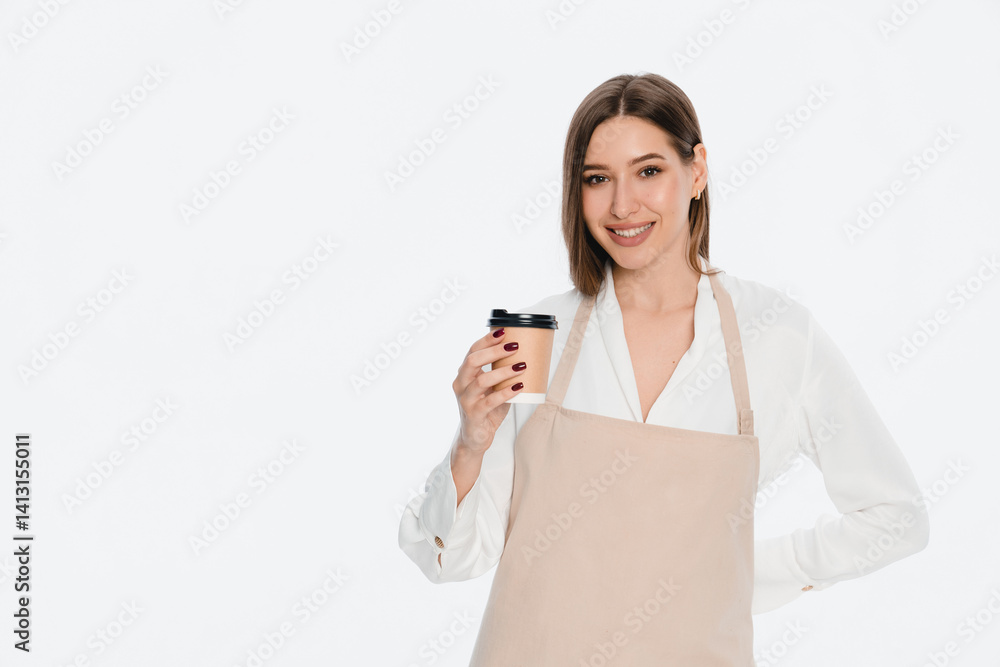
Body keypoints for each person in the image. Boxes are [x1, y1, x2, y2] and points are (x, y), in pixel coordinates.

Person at [397, 72, 930, 665]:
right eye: (598, 179)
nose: (623, 205)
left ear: (696, 171)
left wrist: (743, 575)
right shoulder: (534, 335)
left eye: (649, 171)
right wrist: (470, 442)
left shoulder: (777, 336)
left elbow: (895, 517)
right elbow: (450, 559)